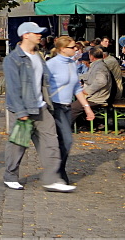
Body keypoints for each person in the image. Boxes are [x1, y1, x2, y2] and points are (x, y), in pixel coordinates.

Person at [2, 21, 75, 192]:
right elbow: (13, 87)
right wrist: (20, 111)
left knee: (51, 143)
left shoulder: (39, 56)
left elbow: (45, 82)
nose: (40, 35)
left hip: (42, 107)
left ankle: (52, 179)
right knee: (18, 145)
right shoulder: (13, 59)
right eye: (36, 33)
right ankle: (10, 176)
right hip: (23, 109)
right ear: (25, 35)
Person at [47, 36, 95, 184]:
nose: (76, 49)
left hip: (67, 106)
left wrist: (87, 108)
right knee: (64, 140)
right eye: (73, 47)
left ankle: (58, 170)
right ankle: (57, 172)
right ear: (62, 49)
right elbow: (42, 85)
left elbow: (76, 88)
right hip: (55, 106)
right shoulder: (52, 64)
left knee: (64, 141)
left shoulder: (72, 64)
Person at [70, 47, 112, 124]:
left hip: (97, 97)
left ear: (91, 56)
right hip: (95, 95)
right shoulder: (97, 65)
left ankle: (63, 128)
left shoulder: (100, 67)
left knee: (73, 108)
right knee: (75, 103)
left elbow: (101, 82)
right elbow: (88, 76)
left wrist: (87, 91)